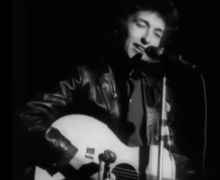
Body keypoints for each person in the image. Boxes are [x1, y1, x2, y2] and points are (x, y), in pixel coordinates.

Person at [19, 0, 205, 179]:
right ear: (123, 24)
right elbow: (29, 117)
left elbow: (169, 159)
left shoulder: (159, 94)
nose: (147, 38)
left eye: (157, 33)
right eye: (141, 25)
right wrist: (71, 158)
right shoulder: (86, 74)